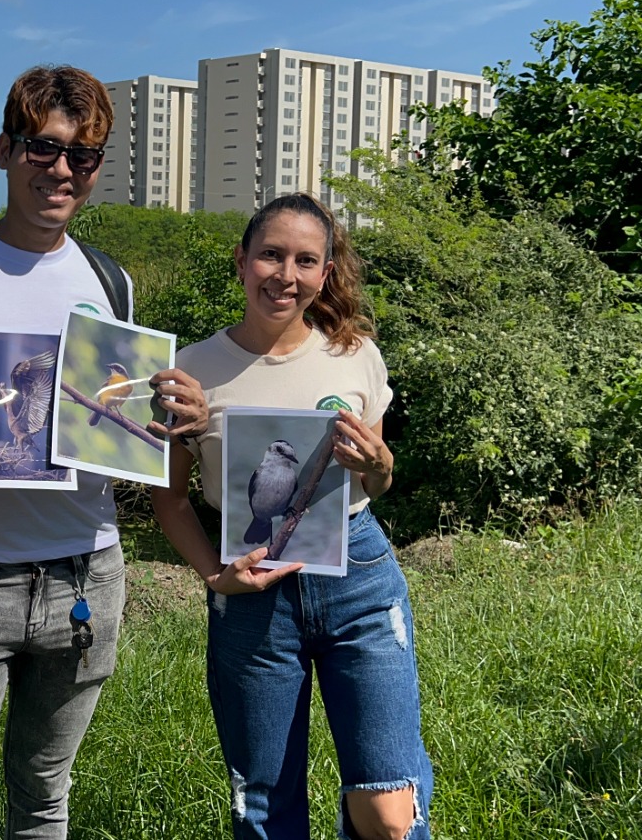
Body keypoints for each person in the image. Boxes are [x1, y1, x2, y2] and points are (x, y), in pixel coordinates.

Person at [0, 65, 209, 840]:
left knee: (44, 802)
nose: (62, 170)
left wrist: (167, 422)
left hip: (85, 577)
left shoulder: (109, 282)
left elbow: (124, 432)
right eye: (43, 149)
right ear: (4, 149)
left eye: (84, 156)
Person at [150, 192, 433, 840]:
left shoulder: (356, 353)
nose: (286, 274)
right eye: (271, 255)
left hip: (357, 579)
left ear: (325, 274)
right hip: (251, 597)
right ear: (241, 260)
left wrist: (380, 463)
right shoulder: (191, 369)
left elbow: (375, 481)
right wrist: (214, 576)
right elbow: (168, 499)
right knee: (265, 813)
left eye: (306, 260)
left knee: (388, 815)